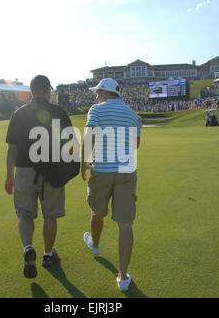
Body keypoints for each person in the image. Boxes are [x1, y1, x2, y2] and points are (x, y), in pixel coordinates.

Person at [5, 75, 74, 279]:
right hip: (52, 170)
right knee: (50, 215)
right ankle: (47, 253)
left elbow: (12, 149)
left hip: (25, 170)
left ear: (32, 91)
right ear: (46, 90)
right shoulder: (59, 113)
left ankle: (28, 248)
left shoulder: (18, 114)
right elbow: (69, 147)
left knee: (25, 214)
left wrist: (9, 175)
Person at [81, 78, 142, 292]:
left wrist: (83, 163)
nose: (96, 97)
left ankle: (95, 246)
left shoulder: (96, 110)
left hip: (102, 171)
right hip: (126, 171)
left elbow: (90, 137)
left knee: (97, 211)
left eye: (98, 93)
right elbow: (135, 145)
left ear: (105, 93)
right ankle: (123, 277)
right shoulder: (134, 115)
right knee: (125, 223)